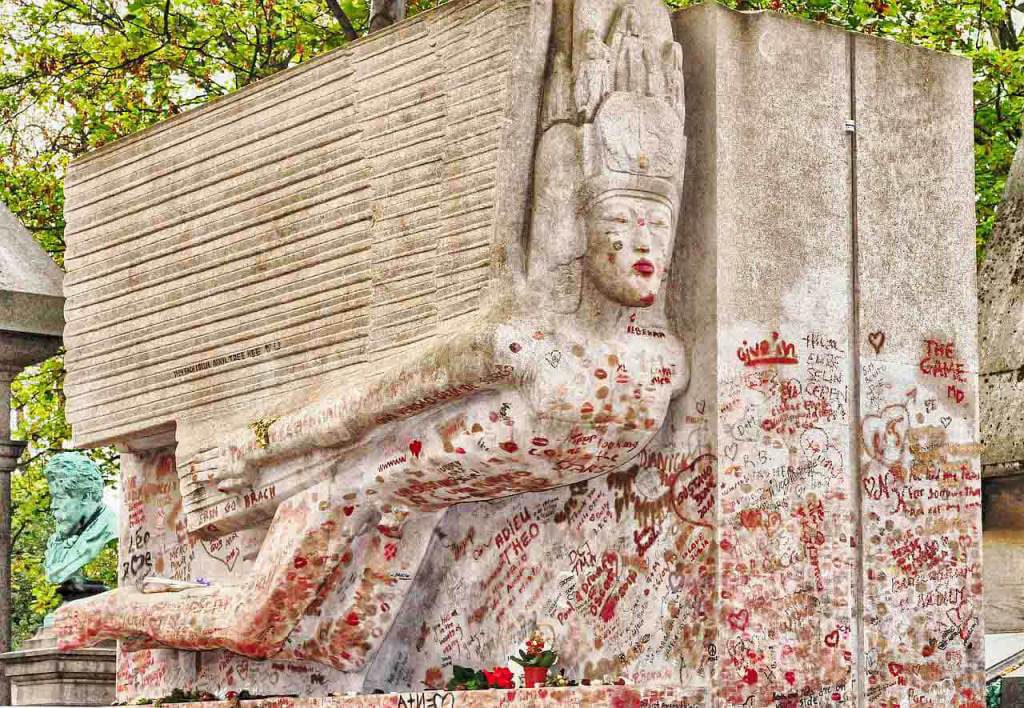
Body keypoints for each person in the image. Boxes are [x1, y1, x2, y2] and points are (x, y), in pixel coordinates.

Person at [56, 0, 690, 672]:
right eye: (621, 227)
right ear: (581, 232)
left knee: (342, 648)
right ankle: (102, 611)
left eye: (658, 228)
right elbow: (366, 406)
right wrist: (255, 449)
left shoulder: (665, 363)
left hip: (407, 510)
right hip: (341, 494)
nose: (644, 246)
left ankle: (173, 602)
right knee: (249, 626)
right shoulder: (522, 346)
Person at [44, 452, 117, 599]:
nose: (53, 506)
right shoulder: (58, 538)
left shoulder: (114, 532)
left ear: (85, 496)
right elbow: (54, 573)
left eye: (60, 497)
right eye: (53, 498)